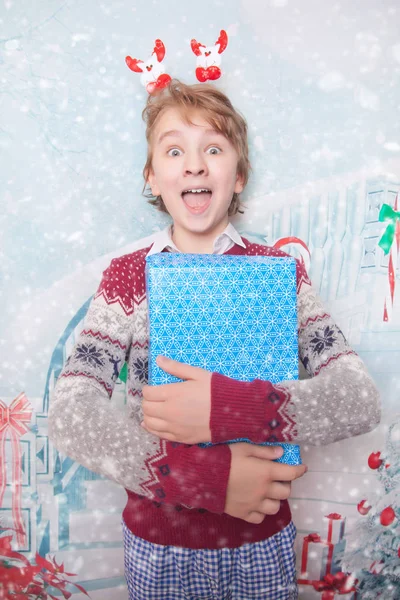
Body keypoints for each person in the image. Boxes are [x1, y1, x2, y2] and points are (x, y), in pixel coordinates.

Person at [48, 79, 381, 600]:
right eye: (175, 149)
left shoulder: (280, 275)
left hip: (263, 542)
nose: (195, 164)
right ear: (153, 178)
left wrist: (228, 408)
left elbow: (358, 399)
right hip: (158, 547)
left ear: (239, 176)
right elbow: (70, 414)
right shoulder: (128, 279)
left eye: (214, 148)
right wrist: (201, 479)